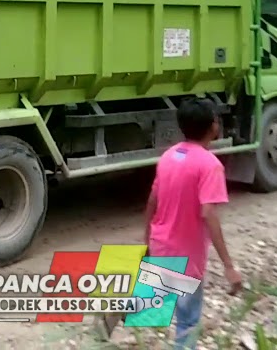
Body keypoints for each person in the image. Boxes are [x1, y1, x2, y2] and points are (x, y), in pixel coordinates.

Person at [99, 96, 243, 349]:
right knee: (187, 321)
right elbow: (209, 214)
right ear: (213, 127)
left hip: (161, 244)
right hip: (188, 255)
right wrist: (229, 265)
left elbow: (152, 200)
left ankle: (126, 308)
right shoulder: (210, 166)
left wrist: (147, 238)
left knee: (160, 289)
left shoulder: (168, 156)